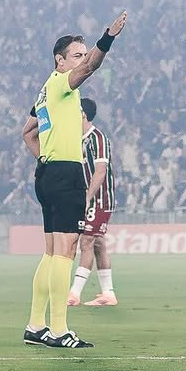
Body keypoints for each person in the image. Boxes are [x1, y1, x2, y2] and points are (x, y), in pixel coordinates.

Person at [20, 13, 128, 349]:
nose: (83, 60)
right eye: (77, 55)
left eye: (83, 54)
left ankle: (36, 326)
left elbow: (27, 133)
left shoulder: (45, 91)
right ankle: (58, 330)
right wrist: (107, 37)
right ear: (60, 60)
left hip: (48, 173)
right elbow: (93, 67)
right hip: (65, 174)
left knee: (52, 252)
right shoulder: (62, 83)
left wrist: (45, 157)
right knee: (65, 251)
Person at [68, 98, 118, 307]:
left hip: (100, 199)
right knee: (98, 243)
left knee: (87, 241)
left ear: (83, 114)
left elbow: (100, 172)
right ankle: (108, 293)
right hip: (89, 198)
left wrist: (87, 197)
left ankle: (74, 294)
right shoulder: (78, 139)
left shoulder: (97, 138)